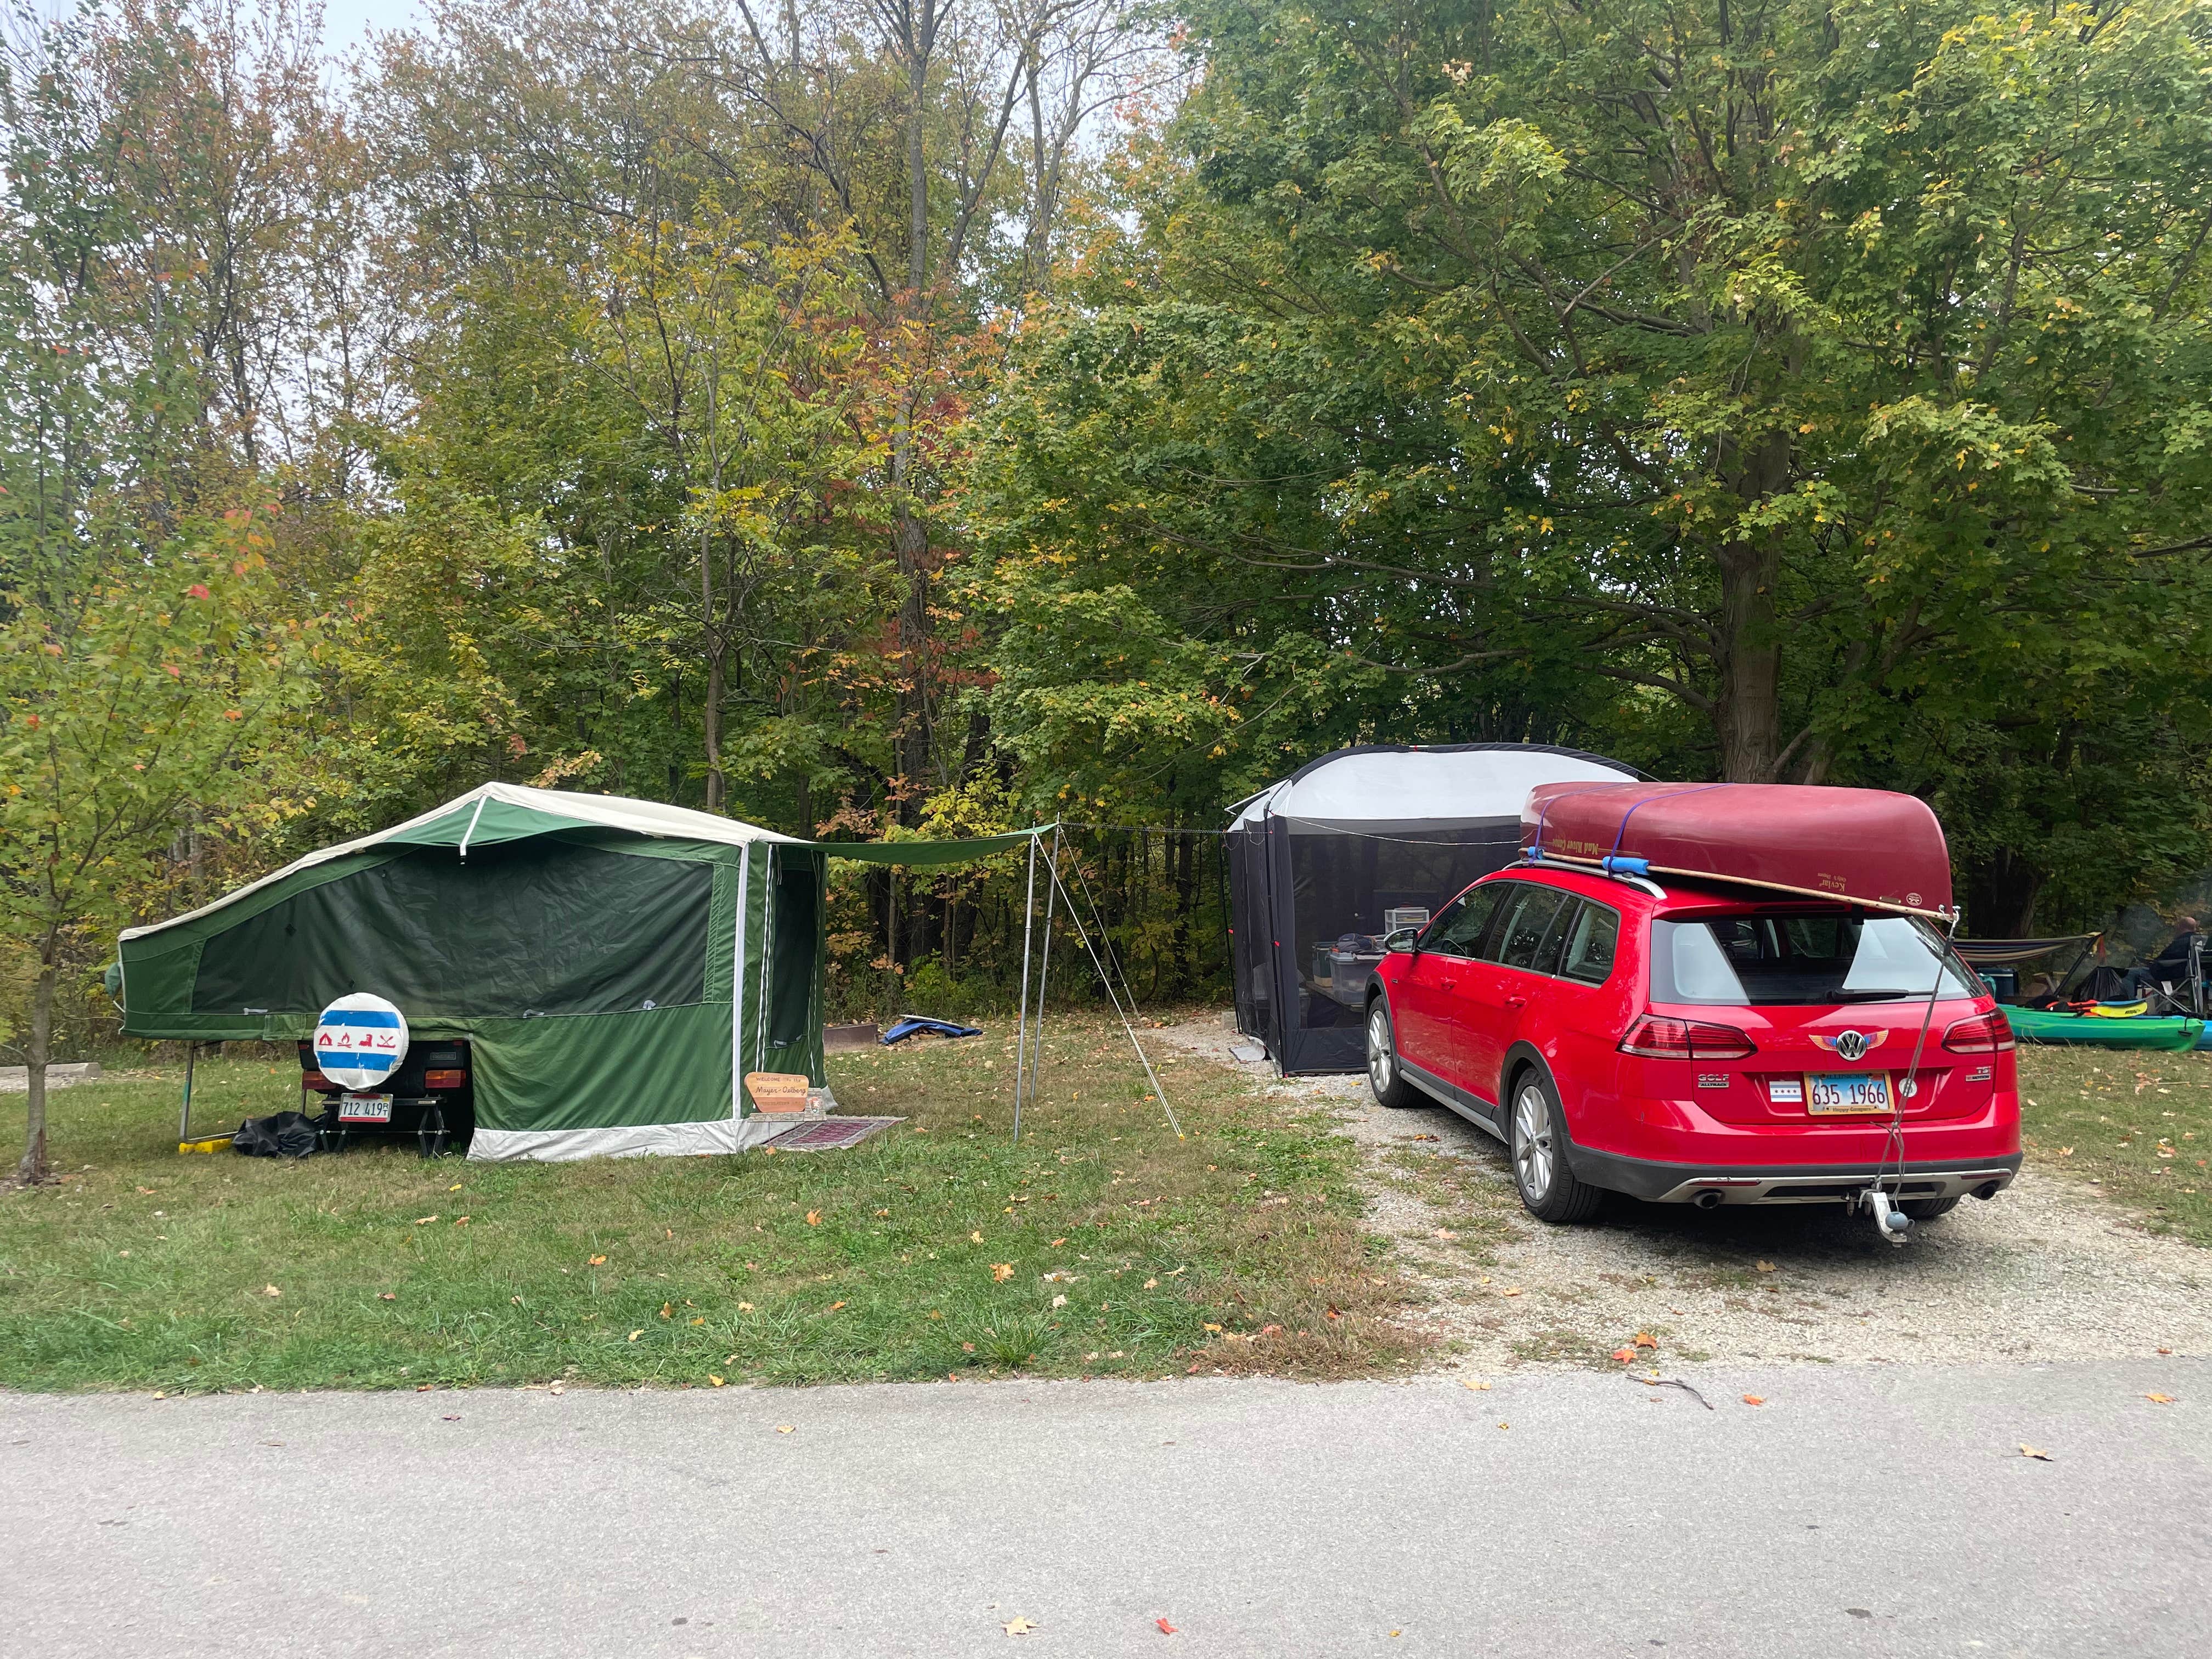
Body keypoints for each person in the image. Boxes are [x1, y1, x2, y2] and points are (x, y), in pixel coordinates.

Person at [2123, 917, 2201, 1000]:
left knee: (2128, 973)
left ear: (2180, 927)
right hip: (2192, 980)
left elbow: (2164, 960)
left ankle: (2129, 1005)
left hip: (2170, 979)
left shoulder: (2181, 942)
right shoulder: (2199, 942)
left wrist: (2152, 964)